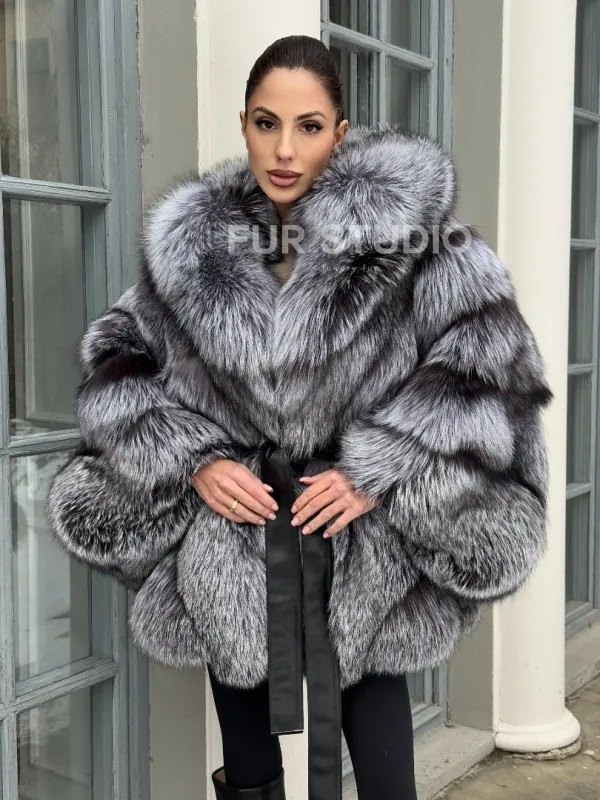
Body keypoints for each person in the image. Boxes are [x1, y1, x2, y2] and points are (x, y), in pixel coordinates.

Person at [47, 34, 553, 800]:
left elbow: (493, 373)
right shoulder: (195, 249)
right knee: (251, 770)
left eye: (308, 126)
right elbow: (118, 358)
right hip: (234, 543)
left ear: (339, 134)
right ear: (244, 124)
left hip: (362, 552)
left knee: (385, 775)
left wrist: (378, 468)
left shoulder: (424, 245)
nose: (284, 149)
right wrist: (194, 458)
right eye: (266, 122)